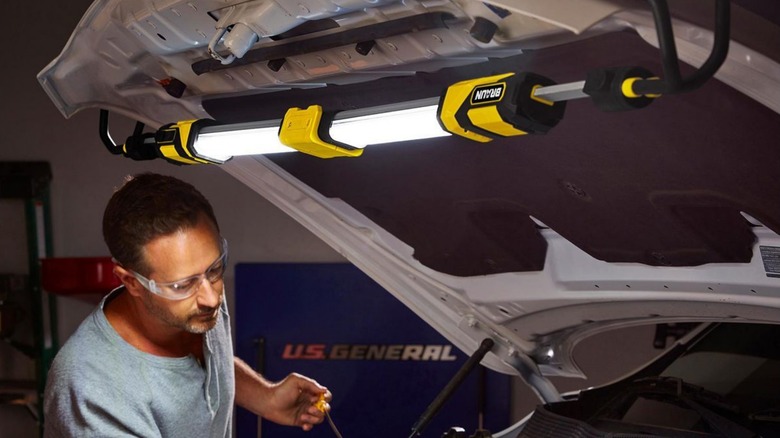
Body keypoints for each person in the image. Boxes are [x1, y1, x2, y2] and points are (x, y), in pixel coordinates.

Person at [44, 172, 330, 437]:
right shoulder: (94, 392)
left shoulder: (198, 289)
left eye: (215, 269)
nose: (211, 297)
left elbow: (196, 368)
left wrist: (266, 397)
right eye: (182, 285)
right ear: (131, 282)